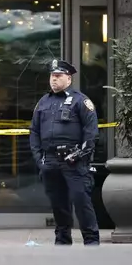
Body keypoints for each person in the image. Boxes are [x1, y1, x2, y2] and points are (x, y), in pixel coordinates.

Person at [30, 59, 100, 246]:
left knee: (82, 203)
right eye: (52, 76)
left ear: (68, 78)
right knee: (59, 206)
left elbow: (91, 133)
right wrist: (40, 160)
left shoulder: (81, 101)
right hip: (50, 162)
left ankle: (92, 242)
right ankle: (62, 243)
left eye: (58, 76)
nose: (54, 80)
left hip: (74, 162)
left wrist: (80, 155)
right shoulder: (43, 102)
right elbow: (34, 132)